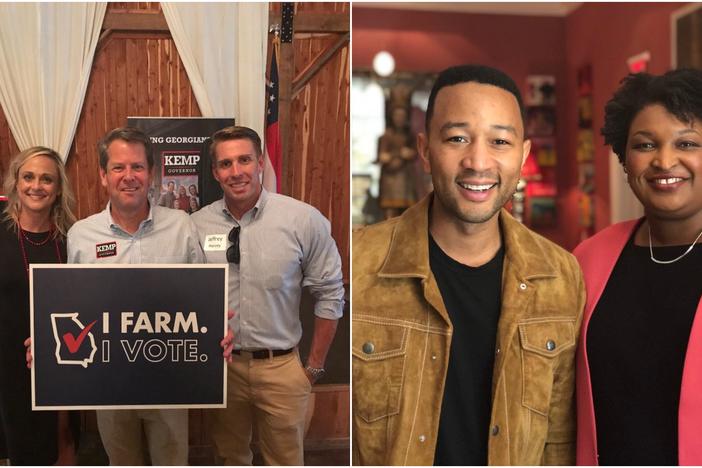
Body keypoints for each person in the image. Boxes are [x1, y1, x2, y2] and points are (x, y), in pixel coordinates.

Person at [352, 65, 585, 465]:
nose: (478, 161)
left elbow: (558, 444)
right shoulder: (359, 264)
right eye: (457, 138)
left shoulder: (561, 276)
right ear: (425, 151)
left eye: (499, 141)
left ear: (523, 155)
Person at [192, 126, 345, 465]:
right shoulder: (197, 225)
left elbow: (331, 294)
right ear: (216, 172)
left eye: (244, 160)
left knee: (286, 460)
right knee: (229, 457)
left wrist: (313, 368)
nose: (236, 172)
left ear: (260, 162)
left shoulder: (302, 220)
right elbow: (187, 293)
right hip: (224, 369)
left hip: (282, 368)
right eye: (226, 164)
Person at [574, 69, 702, 465]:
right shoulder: (587, 259)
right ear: (624, 159)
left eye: (687, 143)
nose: (664, 161)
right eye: (645, 145)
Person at [65, 127, 206, 465]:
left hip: (168, 382)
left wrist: (216, 326)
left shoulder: (181, 225)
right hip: (110, 384)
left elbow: (201, 297)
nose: (129, 177)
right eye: (118, 167)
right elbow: (70, 307)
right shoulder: (81, 235)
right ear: (103, 175)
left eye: (138, 167)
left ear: (151, 173)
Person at [0, 147, 79, 465]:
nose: (36, 186)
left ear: (58, 188)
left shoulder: (71, 237)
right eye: (28, 177)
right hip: (6, 361)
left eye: (47, 179)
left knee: (62, 443)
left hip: (60, 360)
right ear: (15, 182)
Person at [377, 105, 417, 219]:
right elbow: (382, 156)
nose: (400, 119)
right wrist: (399, 154)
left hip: (405, 176)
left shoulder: (409, 136)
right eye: (397, 116)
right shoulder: (386, 136)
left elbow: (414, 153)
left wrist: (409, 153)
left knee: (406, 212)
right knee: (390, 211)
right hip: (390, 177)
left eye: (402, 116)